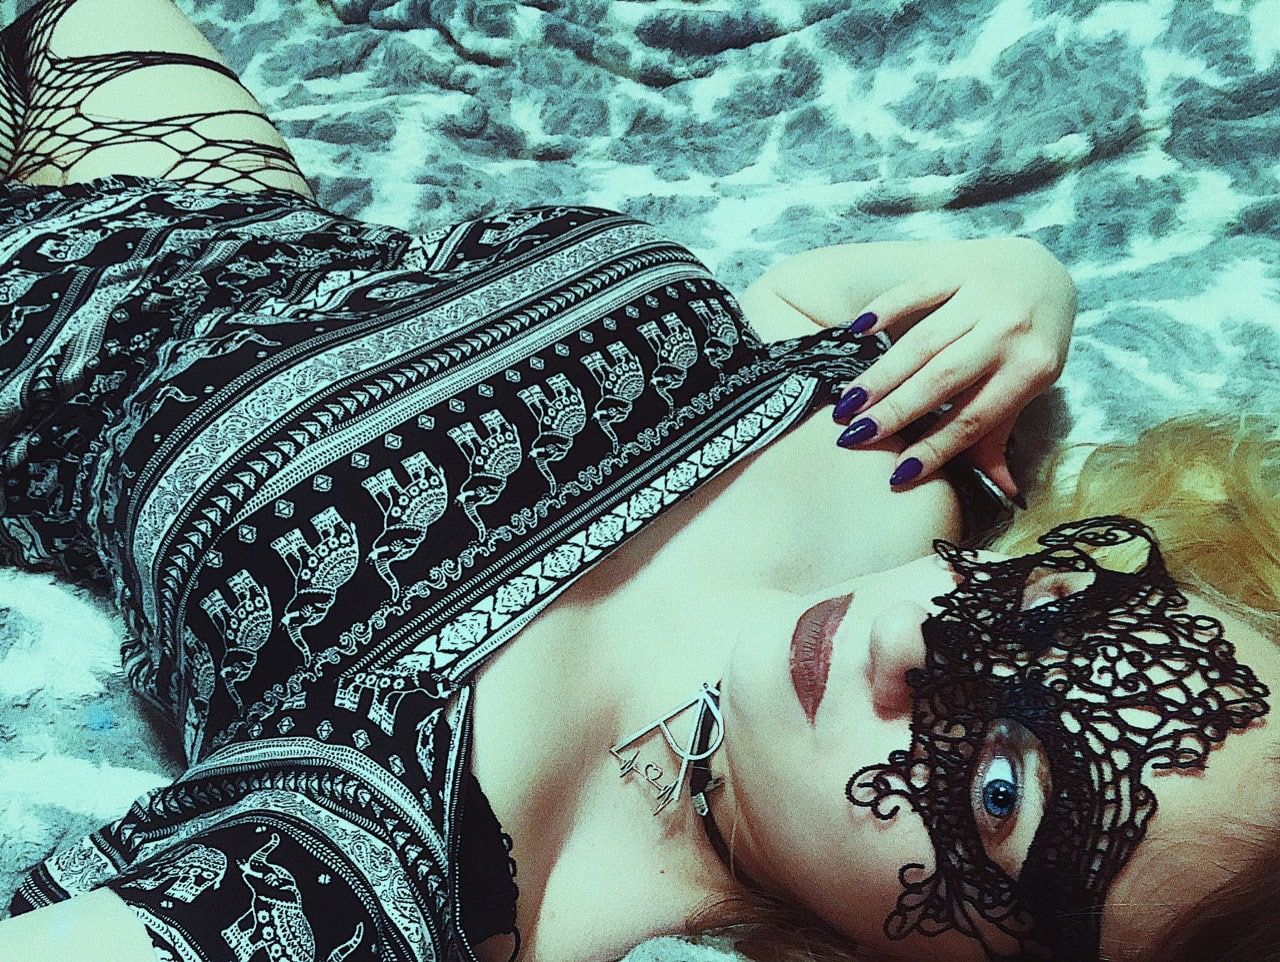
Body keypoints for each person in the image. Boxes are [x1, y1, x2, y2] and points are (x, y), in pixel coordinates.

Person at [1, 2, 1278, 962]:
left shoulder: (409, 868)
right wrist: (1016, 278)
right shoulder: (915, 490)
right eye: (1058, 609)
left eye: (996, 790)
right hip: (225, 198)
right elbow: (793, 309)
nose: (920, 638)